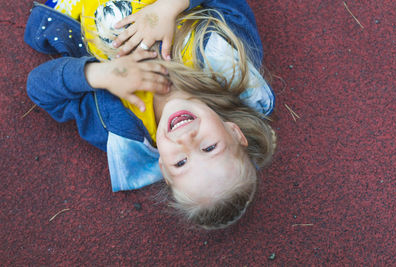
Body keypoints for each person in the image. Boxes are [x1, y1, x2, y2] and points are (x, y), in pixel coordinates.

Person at [25, 0, 276, 229]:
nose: (187, 141)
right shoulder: (230, 61)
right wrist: (170, 7)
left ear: (164, 169)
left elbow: (38, 88)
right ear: (235, 132)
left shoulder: (118, 129)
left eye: (180, 163)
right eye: (209, 148)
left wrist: (101, 75)